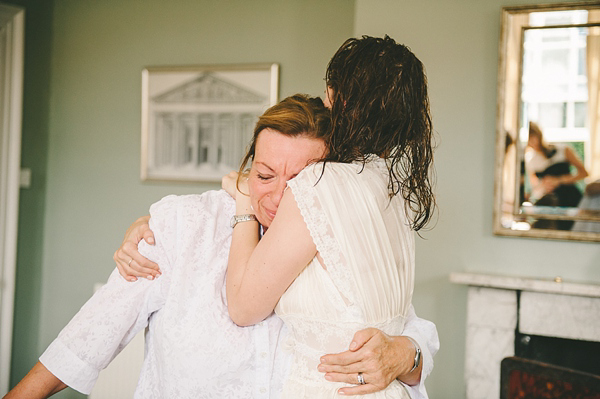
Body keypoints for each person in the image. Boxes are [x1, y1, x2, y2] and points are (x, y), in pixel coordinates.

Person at [5, 95, 438, 399]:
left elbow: (404, 326)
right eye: (266, 176)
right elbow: (85, 342)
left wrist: (406, 354)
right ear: (248, 168)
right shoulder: (181, 225)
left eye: (303, 184)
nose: (277, 198)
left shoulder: (342, 235)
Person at [222, 36, 434, 397]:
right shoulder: (394, 191)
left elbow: (243, 307)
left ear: (341, 100)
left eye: (329, 92)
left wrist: (243, 203)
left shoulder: (319, 186)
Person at [525, 121, 588, 229]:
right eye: (529, 138)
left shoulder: (562, 150)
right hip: (550, 204)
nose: (532, 141)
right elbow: (535, 187)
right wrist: (544, 186)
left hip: (571, 198)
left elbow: (584, 173)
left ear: (538, 134)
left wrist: (559, 180)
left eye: (533, 136)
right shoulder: (531, 160)